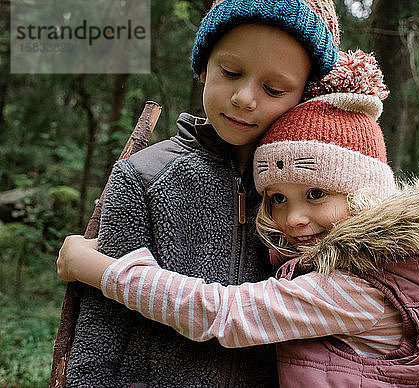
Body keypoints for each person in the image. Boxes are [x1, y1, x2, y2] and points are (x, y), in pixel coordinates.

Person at [58, 52, 419, 387]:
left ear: (366, 193)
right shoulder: (400, 262)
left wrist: (99, 269)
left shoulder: (358, 285)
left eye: (316, 193)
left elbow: (224, 314)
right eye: (274, 198)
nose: (292, 219)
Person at [64, 0, 341, 386]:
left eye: (274, 88)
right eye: (230, 72)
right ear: (203, 67)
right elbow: (100, 330)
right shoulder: (144, 177)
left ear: (305, 94)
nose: (245, 97)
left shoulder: (321, 193)